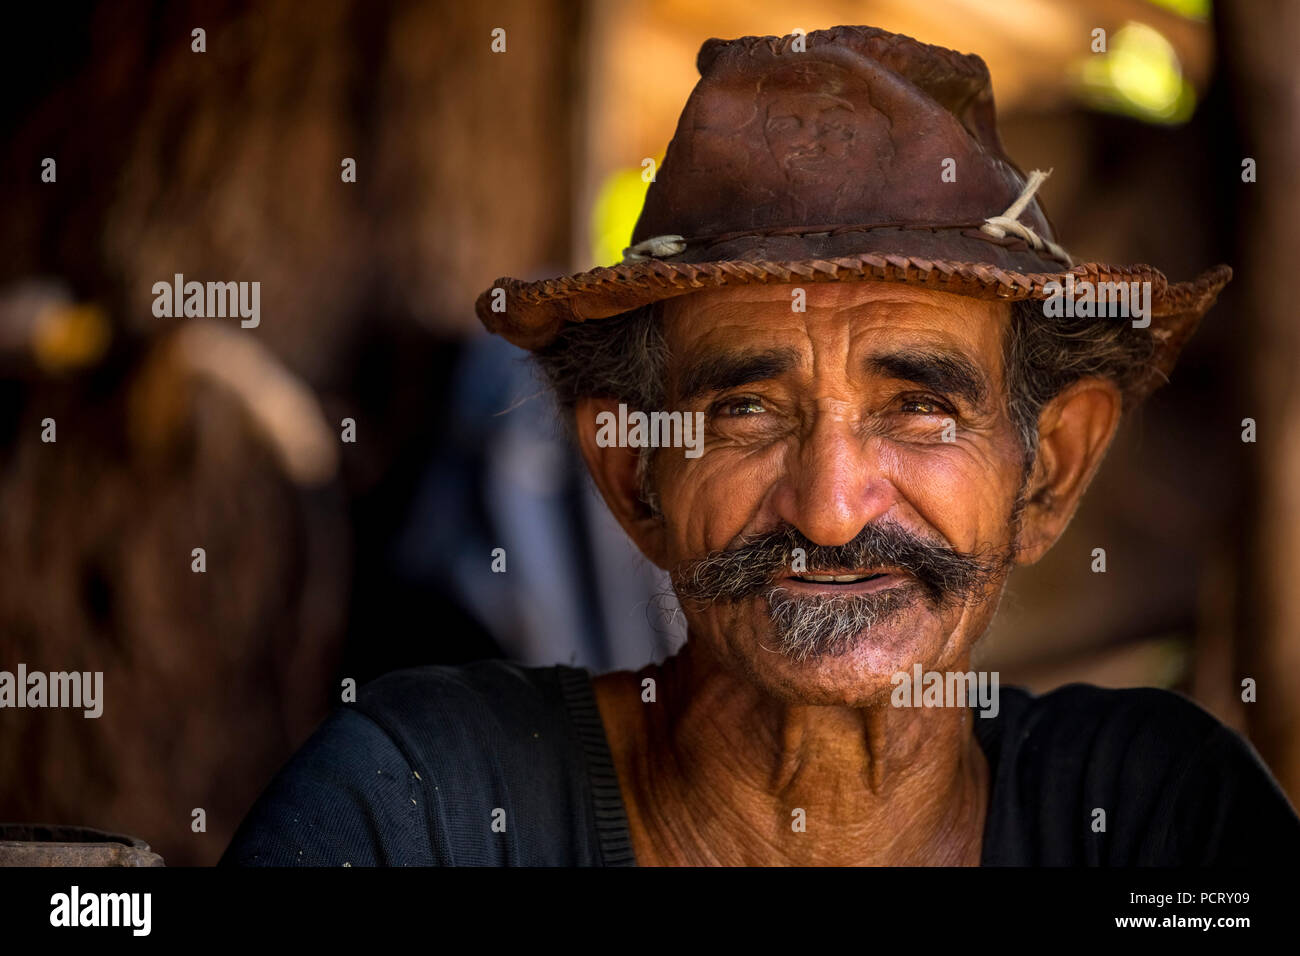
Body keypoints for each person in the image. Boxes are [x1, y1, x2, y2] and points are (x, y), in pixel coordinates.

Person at [223, 24, 1300, 866]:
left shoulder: (1152, 817)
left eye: (917, 408)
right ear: (630, 470)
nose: (829, 508)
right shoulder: (424, 810)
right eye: (746, 411)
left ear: (1049, 468)